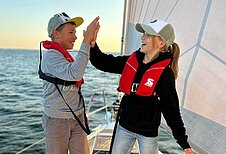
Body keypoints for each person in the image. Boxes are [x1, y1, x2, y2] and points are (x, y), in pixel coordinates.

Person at [89, 19, 193, 154]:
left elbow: (171, 110)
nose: (142, 36)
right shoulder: (131, 62)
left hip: (147, 134)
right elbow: (103, 62)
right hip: (124, 127)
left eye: (148, 34)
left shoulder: (165, 74)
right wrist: (92, 45)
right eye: (143, 33)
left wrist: (183, 142)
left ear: (161, 43)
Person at [38, 12, 100, 154]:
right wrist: (85, 41)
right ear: (56, 33)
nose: (76, 37)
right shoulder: (51, 57)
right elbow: (74, 73)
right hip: (57, 120)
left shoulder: (63, 55)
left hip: (77, 117)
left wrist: (90, 43)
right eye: (71, 32)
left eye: (76, 33)